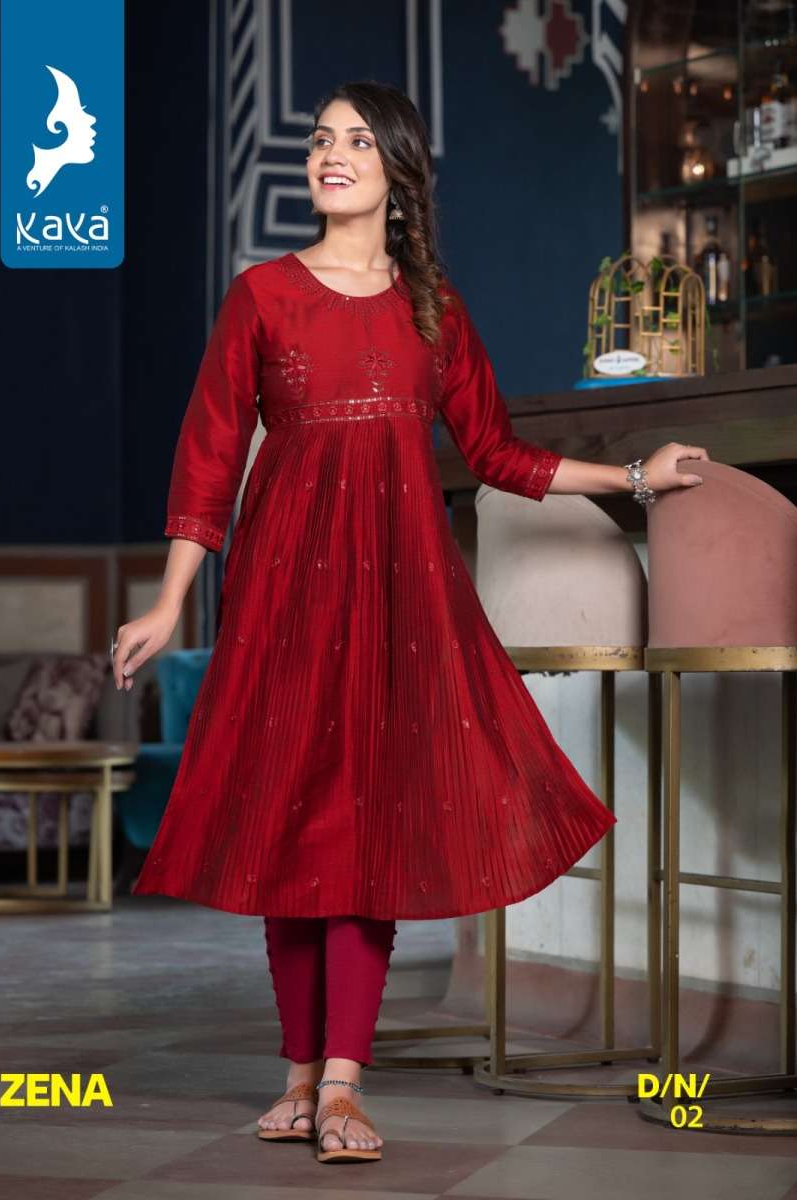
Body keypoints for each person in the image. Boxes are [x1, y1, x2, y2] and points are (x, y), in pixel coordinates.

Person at [112, 81, 709, 1165]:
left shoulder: (434, 311)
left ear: (398, 171)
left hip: (399, 604)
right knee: (290, 829)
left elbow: (499, 454)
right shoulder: (261, 297)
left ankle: (342, 1084)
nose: (330, 154)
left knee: (363, 830)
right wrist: (165, 601)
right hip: (281, 596)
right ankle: (299, 1076)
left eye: (355, 140)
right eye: (319, 138)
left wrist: (637, 475)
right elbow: (208, 458)